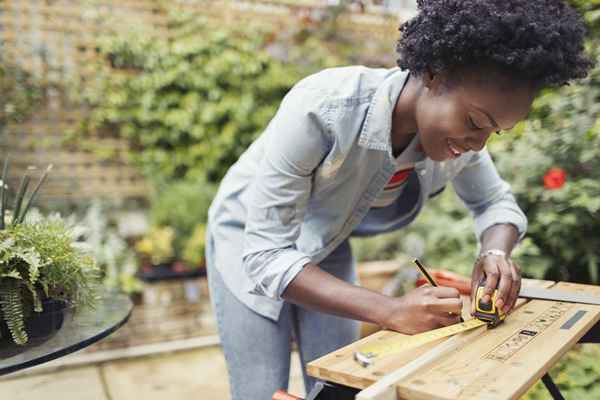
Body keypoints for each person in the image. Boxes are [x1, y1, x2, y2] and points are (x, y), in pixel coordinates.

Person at [205, 1, 593, 398]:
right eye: (475, 122)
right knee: (260, 389)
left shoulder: (463, 136)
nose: (477, 143)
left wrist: (495, 254)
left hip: (327, 239)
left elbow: (495, 204)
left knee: (341, 386)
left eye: (494, 132)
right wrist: (390, 310)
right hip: (248, 240)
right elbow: (266, 255)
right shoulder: (322, 107)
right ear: (433, 73)